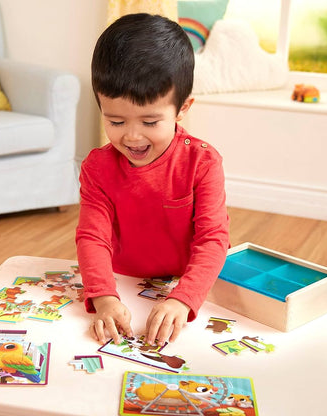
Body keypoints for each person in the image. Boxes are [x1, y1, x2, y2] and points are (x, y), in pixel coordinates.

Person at [76, 13, 229, 347]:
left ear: (182, 108)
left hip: (183, 285)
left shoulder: (203, 163)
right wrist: (103, 297)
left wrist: (183, 298)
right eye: (115, 121)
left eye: (150, 121)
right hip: (120, 284)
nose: (132, 137)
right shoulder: (97, 168)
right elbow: (92, 236)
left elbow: (213, 240)